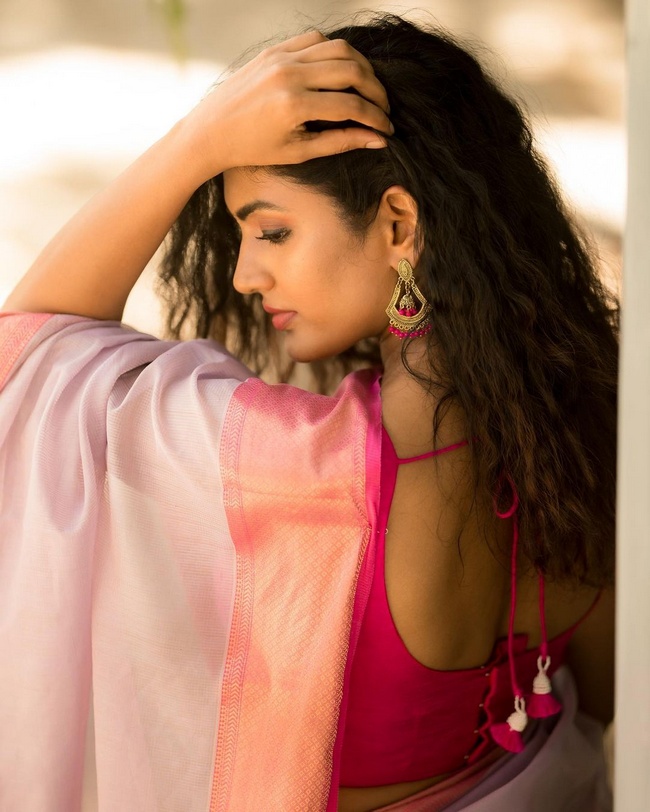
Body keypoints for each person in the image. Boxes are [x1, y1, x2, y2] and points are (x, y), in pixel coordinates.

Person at [0, 13, 616, 812]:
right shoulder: (590, 440)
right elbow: (607, 703)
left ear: (398, 225)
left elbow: (34, 354)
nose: (246, 275)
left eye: (273, 231)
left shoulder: (302, 477)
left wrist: (198, 141)